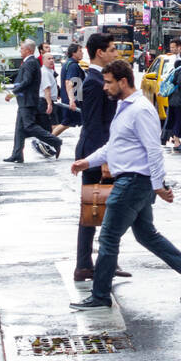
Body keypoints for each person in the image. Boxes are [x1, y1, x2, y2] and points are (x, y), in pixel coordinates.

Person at [68, 60, 181, 309]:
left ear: (123, 82)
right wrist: (87, 162)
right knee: (147, 235)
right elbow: (115, 147)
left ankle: (100, 295)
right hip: (134, 182)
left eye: (109, 82)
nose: (105, 87)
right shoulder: (125, 107)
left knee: (109, 238)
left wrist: (158, 185)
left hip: (133, 182)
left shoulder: (141, 109)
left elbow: (154, 151)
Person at [73, 34, 127, 282]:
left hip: (98, 151)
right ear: (99, 53)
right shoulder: (94, 82)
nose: (116, 53)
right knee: (94, 207)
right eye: (112, 49)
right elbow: (94, 124)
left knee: (100, 207)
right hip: (95, 152)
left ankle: (99, 262)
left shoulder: (97, 79)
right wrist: (102, 160)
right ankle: (86, 264)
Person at [3, 40, 62, 163]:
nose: (20, 51)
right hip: (25, 101)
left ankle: (55, 140)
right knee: (19, 129)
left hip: (28, 101)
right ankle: (17, 154)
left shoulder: (30, 63)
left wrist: (13, 93)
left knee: (29, 126)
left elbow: (27, 81)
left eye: (22, 49)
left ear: (28, 50)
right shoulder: (31, 62)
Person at [157, 38, 181, 145]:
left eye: (173, 47)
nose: (171, 49)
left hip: (177, 91)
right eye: (171, 47)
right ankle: (168, 138)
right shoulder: (174, 59)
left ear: (180, 47)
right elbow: (171, 76)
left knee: (175, 115)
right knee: (174, 115)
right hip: (175, 91)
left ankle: (168, 137)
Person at [54, 44, 84, 138]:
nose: (82, 53)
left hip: (72, 100)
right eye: (80, 51)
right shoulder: (73, 66)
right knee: (67, 123)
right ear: (73, 53)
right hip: (73, 101)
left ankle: (48, 138)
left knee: (66, 123)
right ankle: (47, 139)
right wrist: (72, 100)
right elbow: (69, 83)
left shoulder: (68, 64)